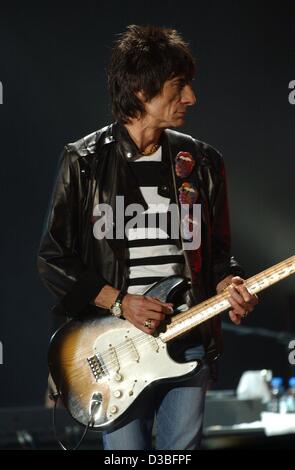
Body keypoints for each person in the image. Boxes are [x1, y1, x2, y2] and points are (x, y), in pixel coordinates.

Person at [37, 25, 258, 450]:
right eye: (179, 87)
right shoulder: (83, 161)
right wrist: (120, 302)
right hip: (113, 348)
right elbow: (53, 259)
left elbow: (218, 256)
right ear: (141, 91)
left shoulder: (203, 162)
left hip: (189, 339)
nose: (191, 98)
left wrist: (230, 282)